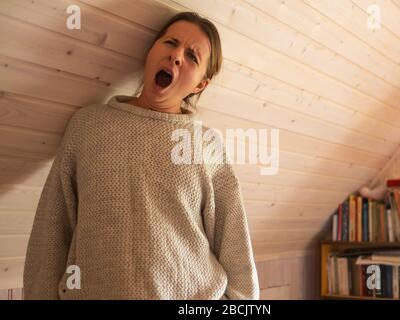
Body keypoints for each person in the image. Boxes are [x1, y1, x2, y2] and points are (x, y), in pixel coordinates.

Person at [23, 11, 259, 300]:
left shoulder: (206, 144)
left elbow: (236, 245)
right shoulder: (88, 125)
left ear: (200, 84)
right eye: (170, 43)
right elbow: (52, 229)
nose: (175, 56)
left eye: (192, 57)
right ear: (150, 52)